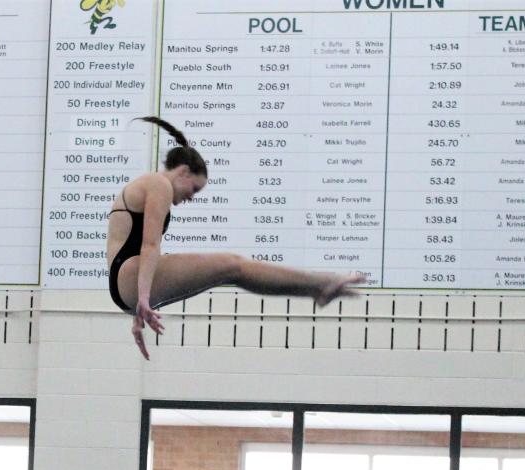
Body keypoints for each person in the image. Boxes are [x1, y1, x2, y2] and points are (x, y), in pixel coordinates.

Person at [107, 116, 366, 359]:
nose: (191, 197)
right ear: (183, 171)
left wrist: (138, 308)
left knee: (231, 272)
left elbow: (132, 245)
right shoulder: (158, 184)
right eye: (194, 189)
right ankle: (322, 283)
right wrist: (142, 298)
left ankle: (315, 289)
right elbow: (150, 245)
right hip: (128, 277)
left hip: (125, 282)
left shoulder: (148, 185)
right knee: (233, 264)